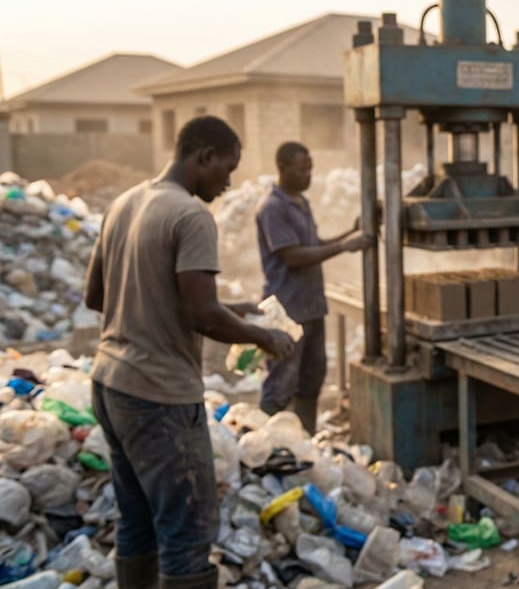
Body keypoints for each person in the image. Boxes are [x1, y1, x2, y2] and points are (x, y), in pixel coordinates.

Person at [85, 115, 295, 589]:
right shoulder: (191, 215)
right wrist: (264, 337)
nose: (229, 181)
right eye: (227, 167)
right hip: (158, 396)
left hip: (110, 385)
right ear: (203, 156)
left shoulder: (125, 203)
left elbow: (97, 297)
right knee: (186, 531)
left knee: (137, 520)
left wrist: (233, 309)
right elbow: (201, 315)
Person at [255, 141, 373, 432]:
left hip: (311, 307)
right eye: (301, 170)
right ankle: (267, 444)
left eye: (310, 169)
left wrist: (351, 234)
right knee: (281, 383)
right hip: (287, 310)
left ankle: (304, 442)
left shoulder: (300, 203)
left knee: (311, 380)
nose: (308, 175)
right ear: (282, 168)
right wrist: (345, 246)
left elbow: (314, 246)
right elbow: (293, 256)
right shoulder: (272, 207)